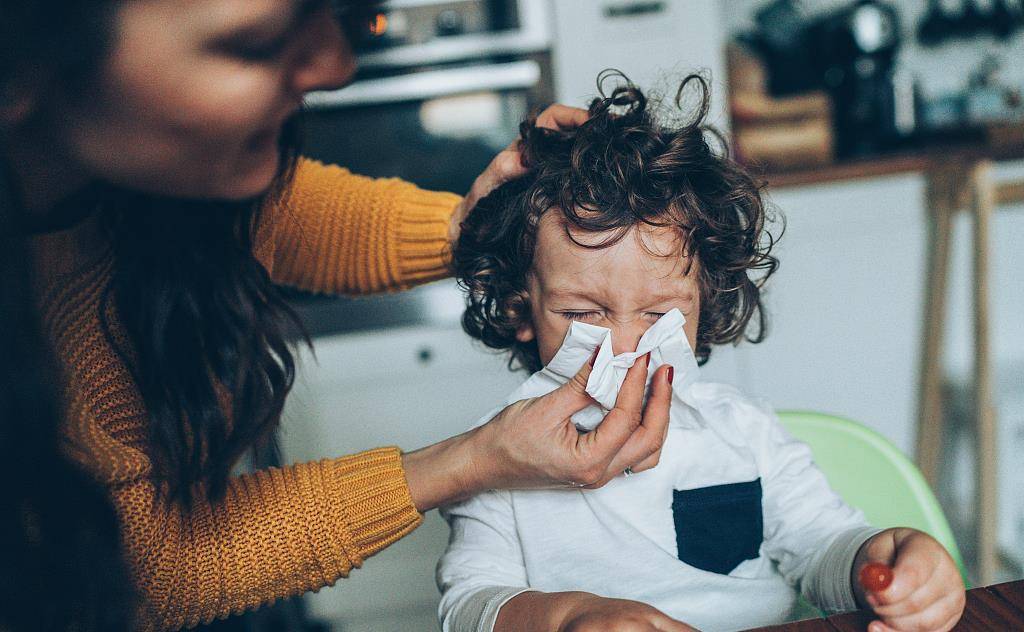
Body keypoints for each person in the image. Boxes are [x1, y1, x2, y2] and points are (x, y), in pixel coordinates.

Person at [1, 1, 672, 629]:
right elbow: (148, 569)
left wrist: (484, 230)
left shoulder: (153, 180)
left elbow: (286, 215)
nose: (337, 66)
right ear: (21, 63)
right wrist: (472, 460)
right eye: (257, 43)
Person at [439, 74, 967, 632]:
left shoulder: (743, 433)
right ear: (523, 313)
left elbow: (820, 548)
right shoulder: (497, 457)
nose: (624, 347)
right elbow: (468, 605)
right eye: (582, 314)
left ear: (703, 305)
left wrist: (880, 562)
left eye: (658, 314)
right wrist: (564, 616)